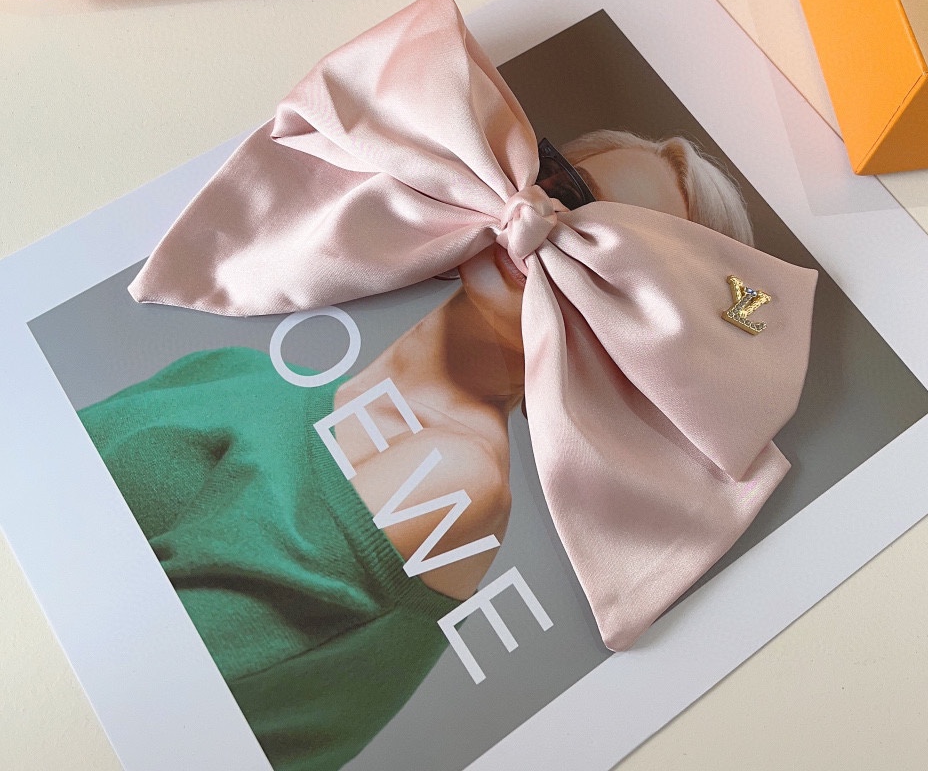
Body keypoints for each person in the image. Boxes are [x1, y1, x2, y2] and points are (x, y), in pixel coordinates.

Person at [79, 130, 751, 771]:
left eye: (602, 245)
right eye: (561, 185)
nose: (542, 220)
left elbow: (111, 698)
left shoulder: (451, 481)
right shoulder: (251, 368)